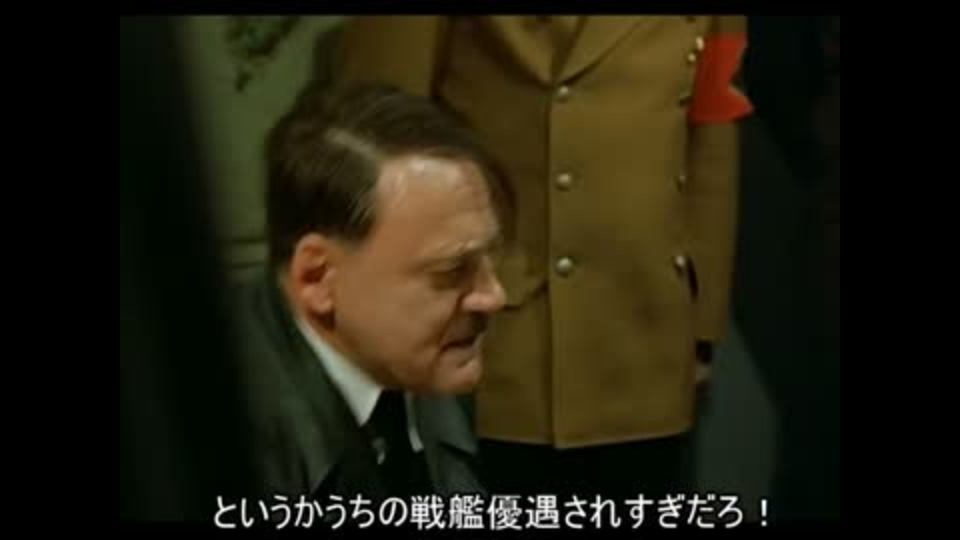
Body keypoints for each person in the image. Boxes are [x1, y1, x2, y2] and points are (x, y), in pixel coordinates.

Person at [333, 16, 753, 500]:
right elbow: (373, 133)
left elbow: (714, 127)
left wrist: (701, 328)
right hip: (498, 333)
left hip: (647, 331)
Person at [233, 83, 512, 507]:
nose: (493, 297)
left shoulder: (421, 359)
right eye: (452, 270)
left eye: (490, 257)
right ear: (317, 277)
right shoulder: (218, 433)